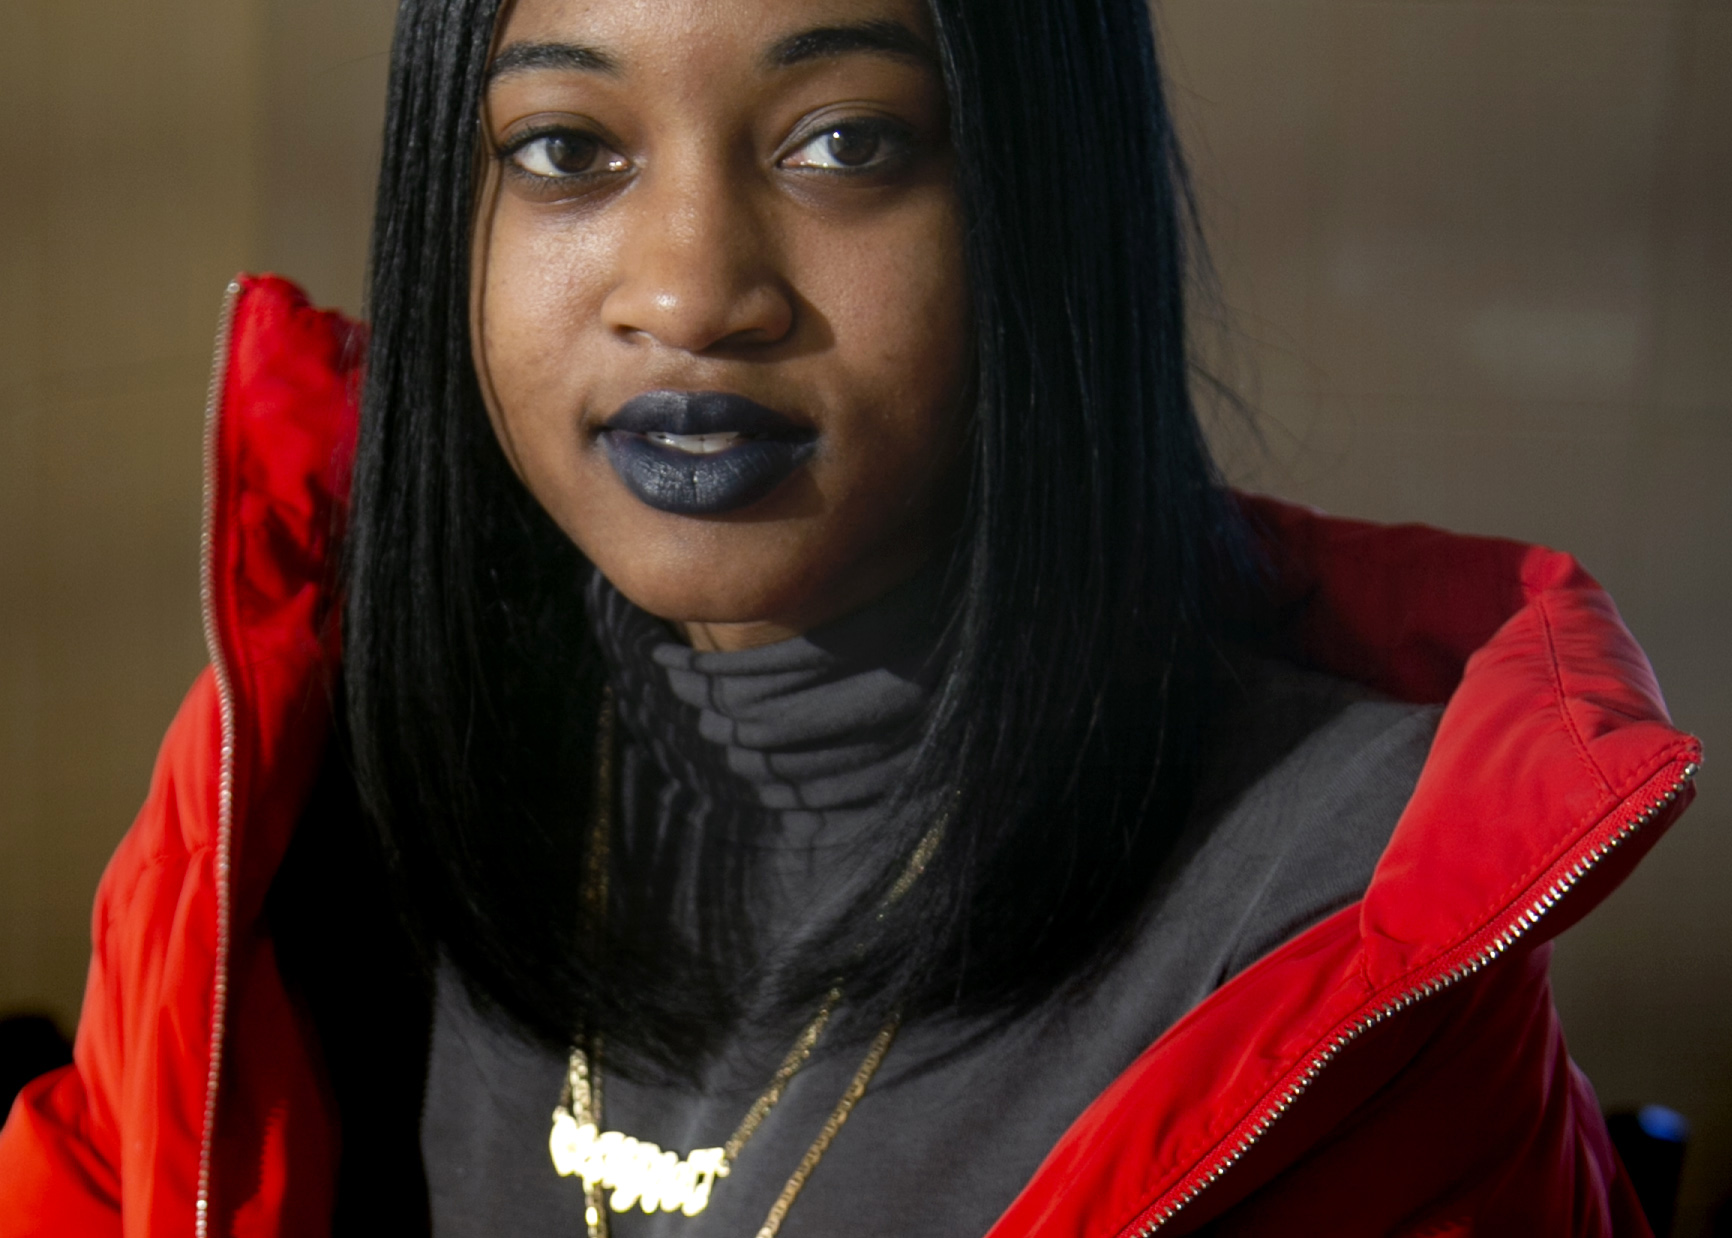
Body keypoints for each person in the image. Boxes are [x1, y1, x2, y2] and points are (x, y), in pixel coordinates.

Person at [0, 0, 1702, 1233]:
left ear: (1045, 201)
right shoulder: (286, 778)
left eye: (848, 144)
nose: (690, 291)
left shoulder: (1358, 933)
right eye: (567, 149)